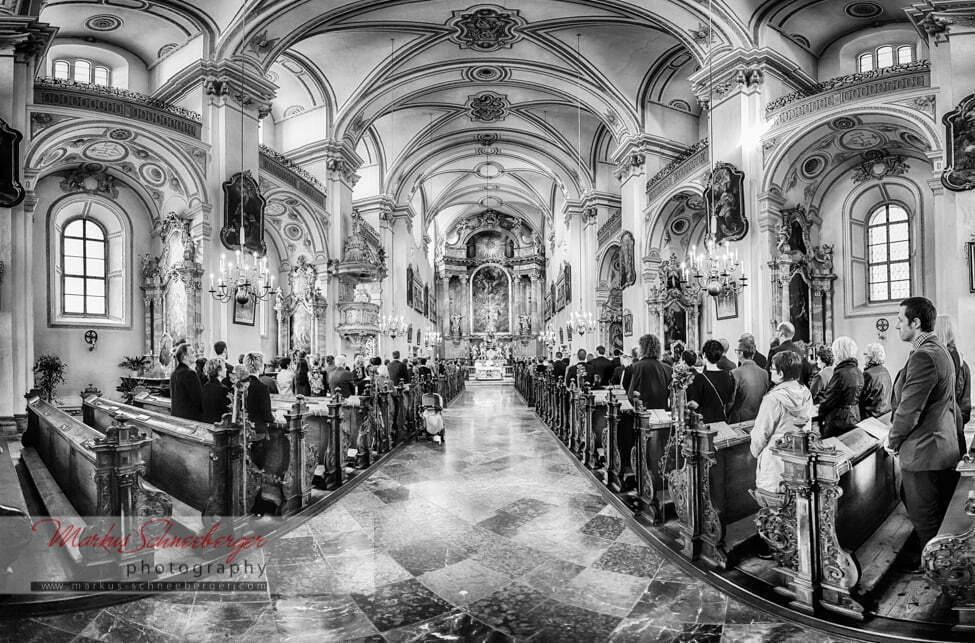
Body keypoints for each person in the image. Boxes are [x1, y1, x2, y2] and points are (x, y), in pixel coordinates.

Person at [888, 297, 961, 571]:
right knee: (927, 511)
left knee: (925, 517)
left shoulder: (924, 356)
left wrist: (892, 441)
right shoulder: (938, 350)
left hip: (924, 450)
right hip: (937, 445)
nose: (896, 326)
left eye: (900, 319)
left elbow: (909, 410)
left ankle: (936, 579)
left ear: (915, 322)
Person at [750, 351, 813, 494]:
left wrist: (755, 452)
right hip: (798, 459)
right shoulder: (806, 393)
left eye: (772, 368)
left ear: (781, 373)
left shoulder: (773, 399)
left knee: (773, 510)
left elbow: (761, 434)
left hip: (774, 462)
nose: (770, 371)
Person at [934, 314, 972, 457]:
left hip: (937, 437)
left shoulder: (935, 363)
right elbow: (966, 407)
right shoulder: (963, 364)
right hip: (956, 432)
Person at [816, 336, 862, 438]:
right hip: (854, 416)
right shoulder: (858, 371)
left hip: (838, 421)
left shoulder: (841, 373)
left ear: (839, 353)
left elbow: (829, 400)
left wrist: (820, 415)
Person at [686, 339, 736, 424]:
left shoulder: (700, 378)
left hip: (705, 423)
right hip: (722, 421)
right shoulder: (728, 376)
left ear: (704, 355)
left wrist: (685, 404)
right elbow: (730, 400)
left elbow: (695, 404)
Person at [626, 334, 673, 409]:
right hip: (662, 411)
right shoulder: (668, 368)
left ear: (643, 348)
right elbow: (670, 395)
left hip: (643, 413)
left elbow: (630, 395)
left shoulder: (636, 367)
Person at [730, 336, 770, 423]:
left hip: (739, 420)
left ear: (740, 353)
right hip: (759, 417)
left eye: (736, 351)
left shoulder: (735, 373)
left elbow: (731, 400)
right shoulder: (764, 373)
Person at [243, 352, 275, 443]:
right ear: (260, 366)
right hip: (258, 431)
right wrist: (272, 418)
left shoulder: (240, 385)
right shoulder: (262, 388)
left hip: (243, 430)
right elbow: (266, 414)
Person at [170, 343, 203, 421]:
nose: (195, 354)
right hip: (189, 418)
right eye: (192, 352)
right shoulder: (190, 373)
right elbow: (198, 400)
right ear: (185, 357)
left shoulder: (174, 373)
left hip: (176, 416)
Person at [860, 342, 893, 419]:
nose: (864, 357)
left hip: (871, 418)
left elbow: (860, 399)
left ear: (870, 357)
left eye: (865, 354)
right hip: (885, 415)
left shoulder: (868, 374)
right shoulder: (885, 371)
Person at [201, 358, 230, 423]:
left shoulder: (205, 386)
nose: (226, 369)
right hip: (218, 426)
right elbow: (226, 413)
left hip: (206, 424)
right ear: (219, 371)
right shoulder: (223, 389)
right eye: (224, 367)